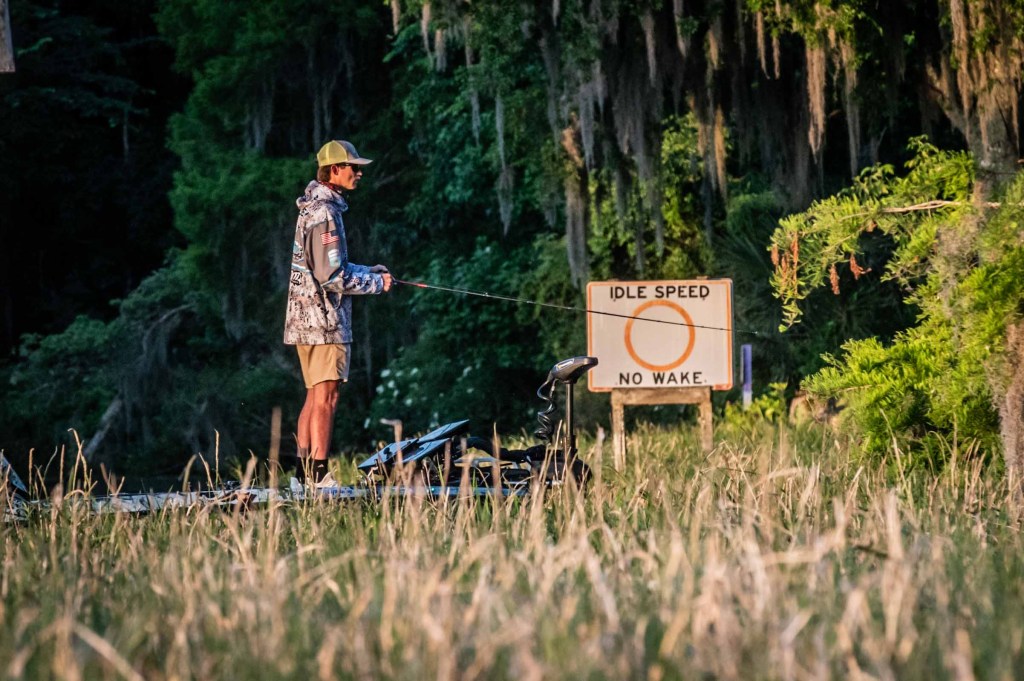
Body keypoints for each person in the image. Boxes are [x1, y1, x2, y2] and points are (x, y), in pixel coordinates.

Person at [284, 139, 392, 487]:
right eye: (353, 167)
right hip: (325, 323)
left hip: (305, 321)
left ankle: (302, 476)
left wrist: (367, 270)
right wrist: (376, 284)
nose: (359, 173)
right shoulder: (326, 213)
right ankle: (318, 476)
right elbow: (331, 277)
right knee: (327, 397)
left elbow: (329, 265)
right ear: (333, 170)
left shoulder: (313, 207)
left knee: (314, 394)